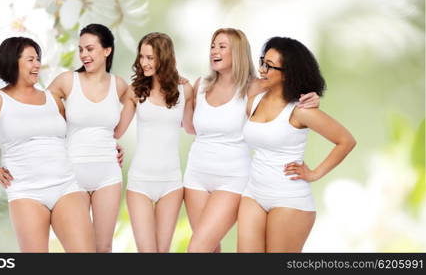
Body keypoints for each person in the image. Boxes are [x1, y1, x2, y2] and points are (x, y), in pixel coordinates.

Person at [0, 24, 127, 253]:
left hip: (107, 172)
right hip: (71, 171)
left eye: (89, 49)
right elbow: (34, 107)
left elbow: (132, 107)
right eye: (81, 50)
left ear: (107, 50)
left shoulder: (119, 84)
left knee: (103, 247)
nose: (84, 55)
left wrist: (115, 141)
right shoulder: (66, 81)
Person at [0, 37, 95, 252]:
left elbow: (76, 136)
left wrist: (109, 147)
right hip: (27, 193)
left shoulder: (53, 99)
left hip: (66, 186)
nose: (37, 64)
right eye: (30, 59)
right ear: (12, 62)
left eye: (38, 59)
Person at [184, 28, 320, 252]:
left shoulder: (255, 86)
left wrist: (312, 95)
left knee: (196, 249)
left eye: (222, 46)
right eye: (212, 46)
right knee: (209, 249)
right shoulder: (200, 85)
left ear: (237, 52)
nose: (214, 51)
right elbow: (189, 127)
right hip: (195, 176)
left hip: (232, 178)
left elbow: (291, 85)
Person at [237, 36, 356, 252]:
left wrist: (315, 173)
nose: (262, 69)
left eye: (269, 66)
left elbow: (346, 141)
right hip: (253, 193)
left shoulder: (301, 110)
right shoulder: (254, 98)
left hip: (289, 199)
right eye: (263, 61)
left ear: (287, 74)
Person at [114, 32, 194, 252]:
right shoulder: (136, 91)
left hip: (171, 183)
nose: (144, 63)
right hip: (140, 182)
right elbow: (118, 131)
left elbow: (191, 127)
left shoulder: (184, 90)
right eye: (141, 57)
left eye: (150, 58)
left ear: (164, 58)